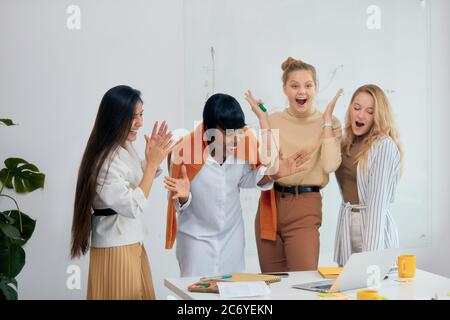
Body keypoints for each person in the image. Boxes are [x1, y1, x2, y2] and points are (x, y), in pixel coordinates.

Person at [164, 93, 310, 277]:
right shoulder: (184, 152)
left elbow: (250, 178)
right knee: (196, 294)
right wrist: (184, 196)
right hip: (196, 240)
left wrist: (273, 174)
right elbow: (178, 203)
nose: (236, 139)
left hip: (231, 238)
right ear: (209, 130)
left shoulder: (244, 142)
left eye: (239, 131)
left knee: (233, 292)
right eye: (228, 133)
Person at [70, 85, 173, 299]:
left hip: (130, 243)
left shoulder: (122, 147)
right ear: (115, 118)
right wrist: (152, 165)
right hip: (117, 249)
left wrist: (151, 160)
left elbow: (133, 181)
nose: (140, 123)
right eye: (132, 117)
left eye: (141, 114)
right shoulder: (105, 159)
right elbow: (133, 205)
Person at [252, 57, 343, 272]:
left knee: (302, 285)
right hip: (270, 204)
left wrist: (328, 122)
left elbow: (330, 165)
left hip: (305, 205)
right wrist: (263, 121)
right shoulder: (273, 120)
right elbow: (264, 166)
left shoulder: (329, 123)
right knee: (273, 285)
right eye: (294, 86)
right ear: (285, 89)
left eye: (308, 85)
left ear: (315, 88)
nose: (301, 91)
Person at [334, 84, 403, 266]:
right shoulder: (346, 143)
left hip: (374, 230)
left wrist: (370, 260)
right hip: (349, 226)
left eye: (369, 111)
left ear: (378, 116)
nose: (360, 115)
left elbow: (377, 206)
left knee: (371, 290)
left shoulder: (383, 146)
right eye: (356, 108)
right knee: (348, 291)